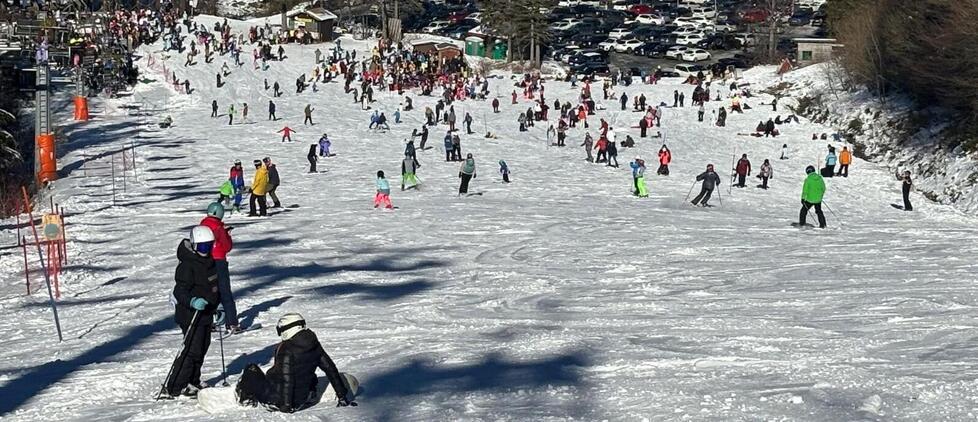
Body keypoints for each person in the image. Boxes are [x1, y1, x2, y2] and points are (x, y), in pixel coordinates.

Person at [234, 313, 356, 412]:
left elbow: (287, 380)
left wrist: (286, 405)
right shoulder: (313, 343)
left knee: (251, 369)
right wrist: (342, 397)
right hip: (302, 400)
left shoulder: (287, 348)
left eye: (280, 330)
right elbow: (331, 369)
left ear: (287, 329)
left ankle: (244, 399)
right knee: (305, 369)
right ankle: (310, 395)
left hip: (279, 400)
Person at [164, 226, 220, 398]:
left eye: (209, 246)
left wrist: (219, 306)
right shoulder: (187, 265)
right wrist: (192, 301)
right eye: (203, 247)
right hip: (190, 314)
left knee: (203, 347)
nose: (206, 250)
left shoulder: (209, 262)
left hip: (205, 313)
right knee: (191, 350)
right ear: (195, 246)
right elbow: (179, 291)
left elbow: (214, 288)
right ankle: (174, 386)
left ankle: (193, 380)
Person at [199, 203, 239, 333]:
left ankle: (208, 322)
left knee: (209, 291)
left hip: (205, 262)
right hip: (219, 261)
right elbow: (227, 247)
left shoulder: (202, 225)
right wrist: (228, 235)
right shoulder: (219, 227)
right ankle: (232, 323)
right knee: (225, 292)